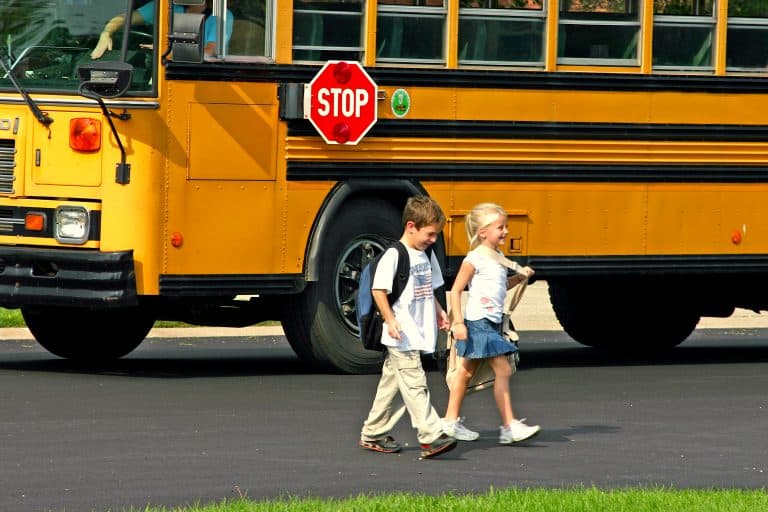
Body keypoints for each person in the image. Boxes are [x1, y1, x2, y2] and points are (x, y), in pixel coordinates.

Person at [359, 195, 457, 459]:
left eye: (436, 235)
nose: (433, 240)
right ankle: (431, 436)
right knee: (415, 384)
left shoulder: (427, 255)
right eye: (430, 234)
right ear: (411, 226)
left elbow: (430, 289)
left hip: (418, 330)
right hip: (401, 334)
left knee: (393, 386)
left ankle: (373, 432)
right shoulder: (395, 255)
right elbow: (379, 290)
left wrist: (439, 312)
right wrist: (390, 320)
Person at [442, 202, 541, 445]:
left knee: (465, 372)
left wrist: (519, 277)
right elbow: (455, 291)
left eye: (505, 226)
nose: (506, 231)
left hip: (491, 323)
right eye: (500, 227)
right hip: (479, 323)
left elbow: (500, 287)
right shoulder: (474, 258)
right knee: (503, 369)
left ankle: (450, 421)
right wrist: (458, 323)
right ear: (482, 232)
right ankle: (509, 426)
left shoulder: (498, 258)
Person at [91, 0, 233, 59]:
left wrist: (166, 51)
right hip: (160, 70)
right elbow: (124, 18)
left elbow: (209, 52)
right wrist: (106, 32)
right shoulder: (165, 6)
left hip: (199, 76)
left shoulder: (220, 14)